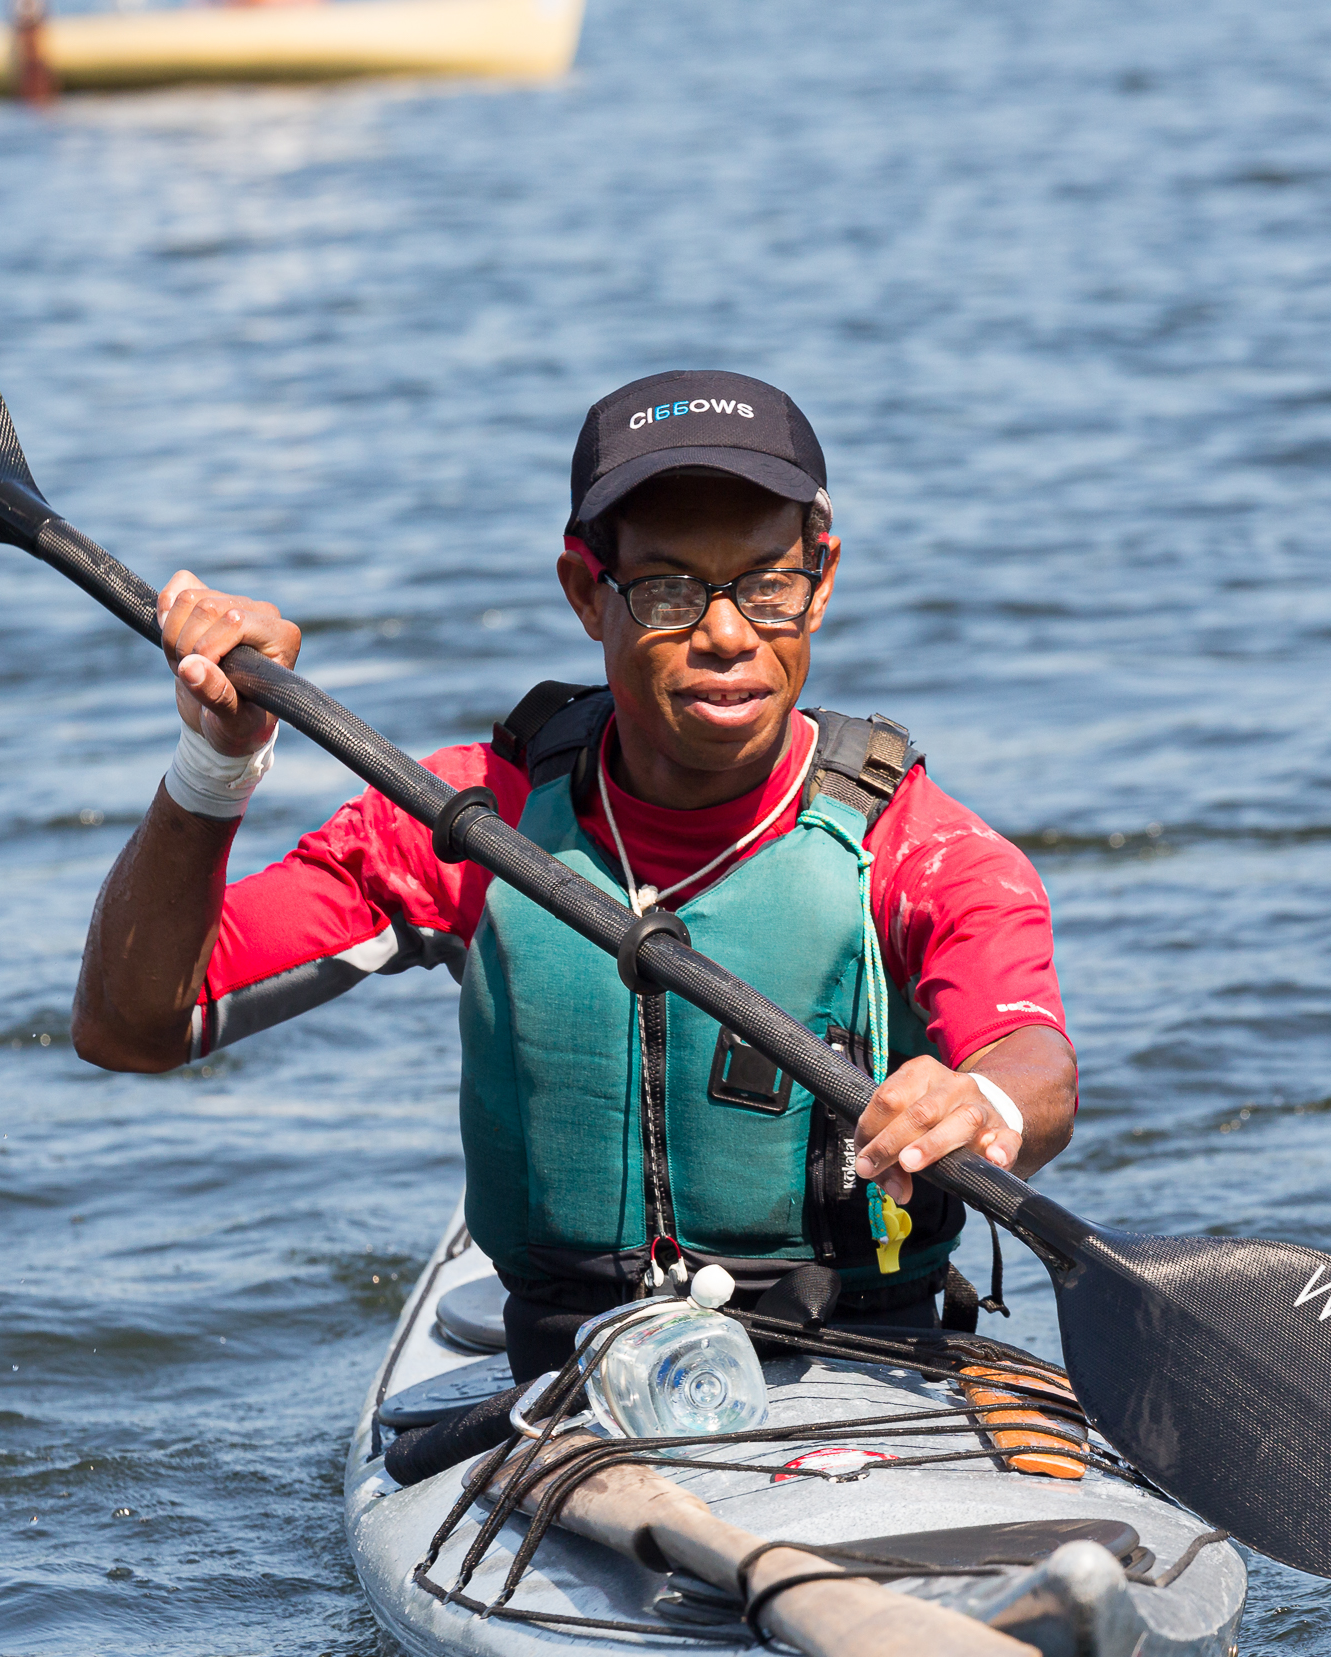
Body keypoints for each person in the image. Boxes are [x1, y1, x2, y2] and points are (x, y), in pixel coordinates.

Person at [71, 371, 1079, 1378]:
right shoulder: (472, 820)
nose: (728, 635)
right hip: (567, 1375)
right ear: (586, 592)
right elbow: (132, 1027)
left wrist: (981, 1103)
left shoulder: (917, 849)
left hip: (870, 1359)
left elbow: (1034, 1064)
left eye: (768, 585)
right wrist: (215, 763)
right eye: (669, 590)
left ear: (821, 581)